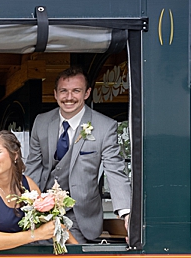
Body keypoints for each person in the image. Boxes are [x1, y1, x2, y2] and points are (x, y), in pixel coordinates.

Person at [25, 66, 132, 244]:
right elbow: (32, 169)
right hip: (41, 215)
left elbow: (115, 171)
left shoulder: (105, 126)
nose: (69, 97)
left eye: (76, 91)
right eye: (63, 91)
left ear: (87, 93)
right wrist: (27, 207)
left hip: (81, 217)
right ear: (55, 94)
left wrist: (126, 213)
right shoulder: (41, 122)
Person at [0, 131, 66, 251]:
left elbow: (54, 222)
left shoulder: (27, 183)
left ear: (15, 155)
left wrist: (79, 254)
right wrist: (36, 234)